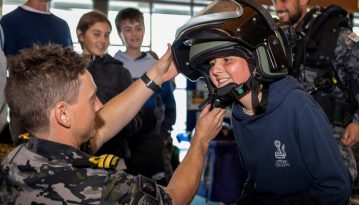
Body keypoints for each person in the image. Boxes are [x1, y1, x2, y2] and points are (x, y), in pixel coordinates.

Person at [172, 0, 352, 204]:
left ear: (257, 62)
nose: (215, 70)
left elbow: (336, 188)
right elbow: (258, 180)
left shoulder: (296, 104)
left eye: (227, 60)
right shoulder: (239, 113)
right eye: (211, 63)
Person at [0, 43, 226, 204]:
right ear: (63, 114)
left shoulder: (16, 160)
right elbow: (174, 199)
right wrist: (201, 140)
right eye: (92, 99)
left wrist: (154, 76)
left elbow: (105, 125)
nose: (99, 106)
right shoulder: (98, 189)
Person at [272, 0, 359, 194]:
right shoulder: (279, 39)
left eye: (284, 0)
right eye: (274, 1)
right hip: (288, 137)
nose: (278, 6)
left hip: (329, 137)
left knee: (332, 193)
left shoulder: (334, 36)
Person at [114, 7, 177, 185]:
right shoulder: (113, 66)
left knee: (156, 191)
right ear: (120, 33)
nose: (134, 34)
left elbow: (170, 105)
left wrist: (164, 134)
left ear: (144, 30)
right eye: (128, 29)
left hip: (153, 143)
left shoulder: (157, 66)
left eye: (138, 28)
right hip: (124, 145)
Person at [76, 10, 142, 167]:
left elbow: (136, 120)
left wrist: (112, 115)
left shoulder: (120, 72)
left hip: (114, 157)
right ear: (81, 35)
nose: (103, 40)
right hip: (77, 156)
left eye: (107, 35)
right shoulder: (69, 69)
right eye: (97, 34)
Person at [0, 0, 73, 142]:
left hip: (61, 109)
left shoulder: (62, 25)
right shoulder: (9, 21)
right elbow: (6, 69)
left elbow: (70, 69)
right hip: (25, 111)